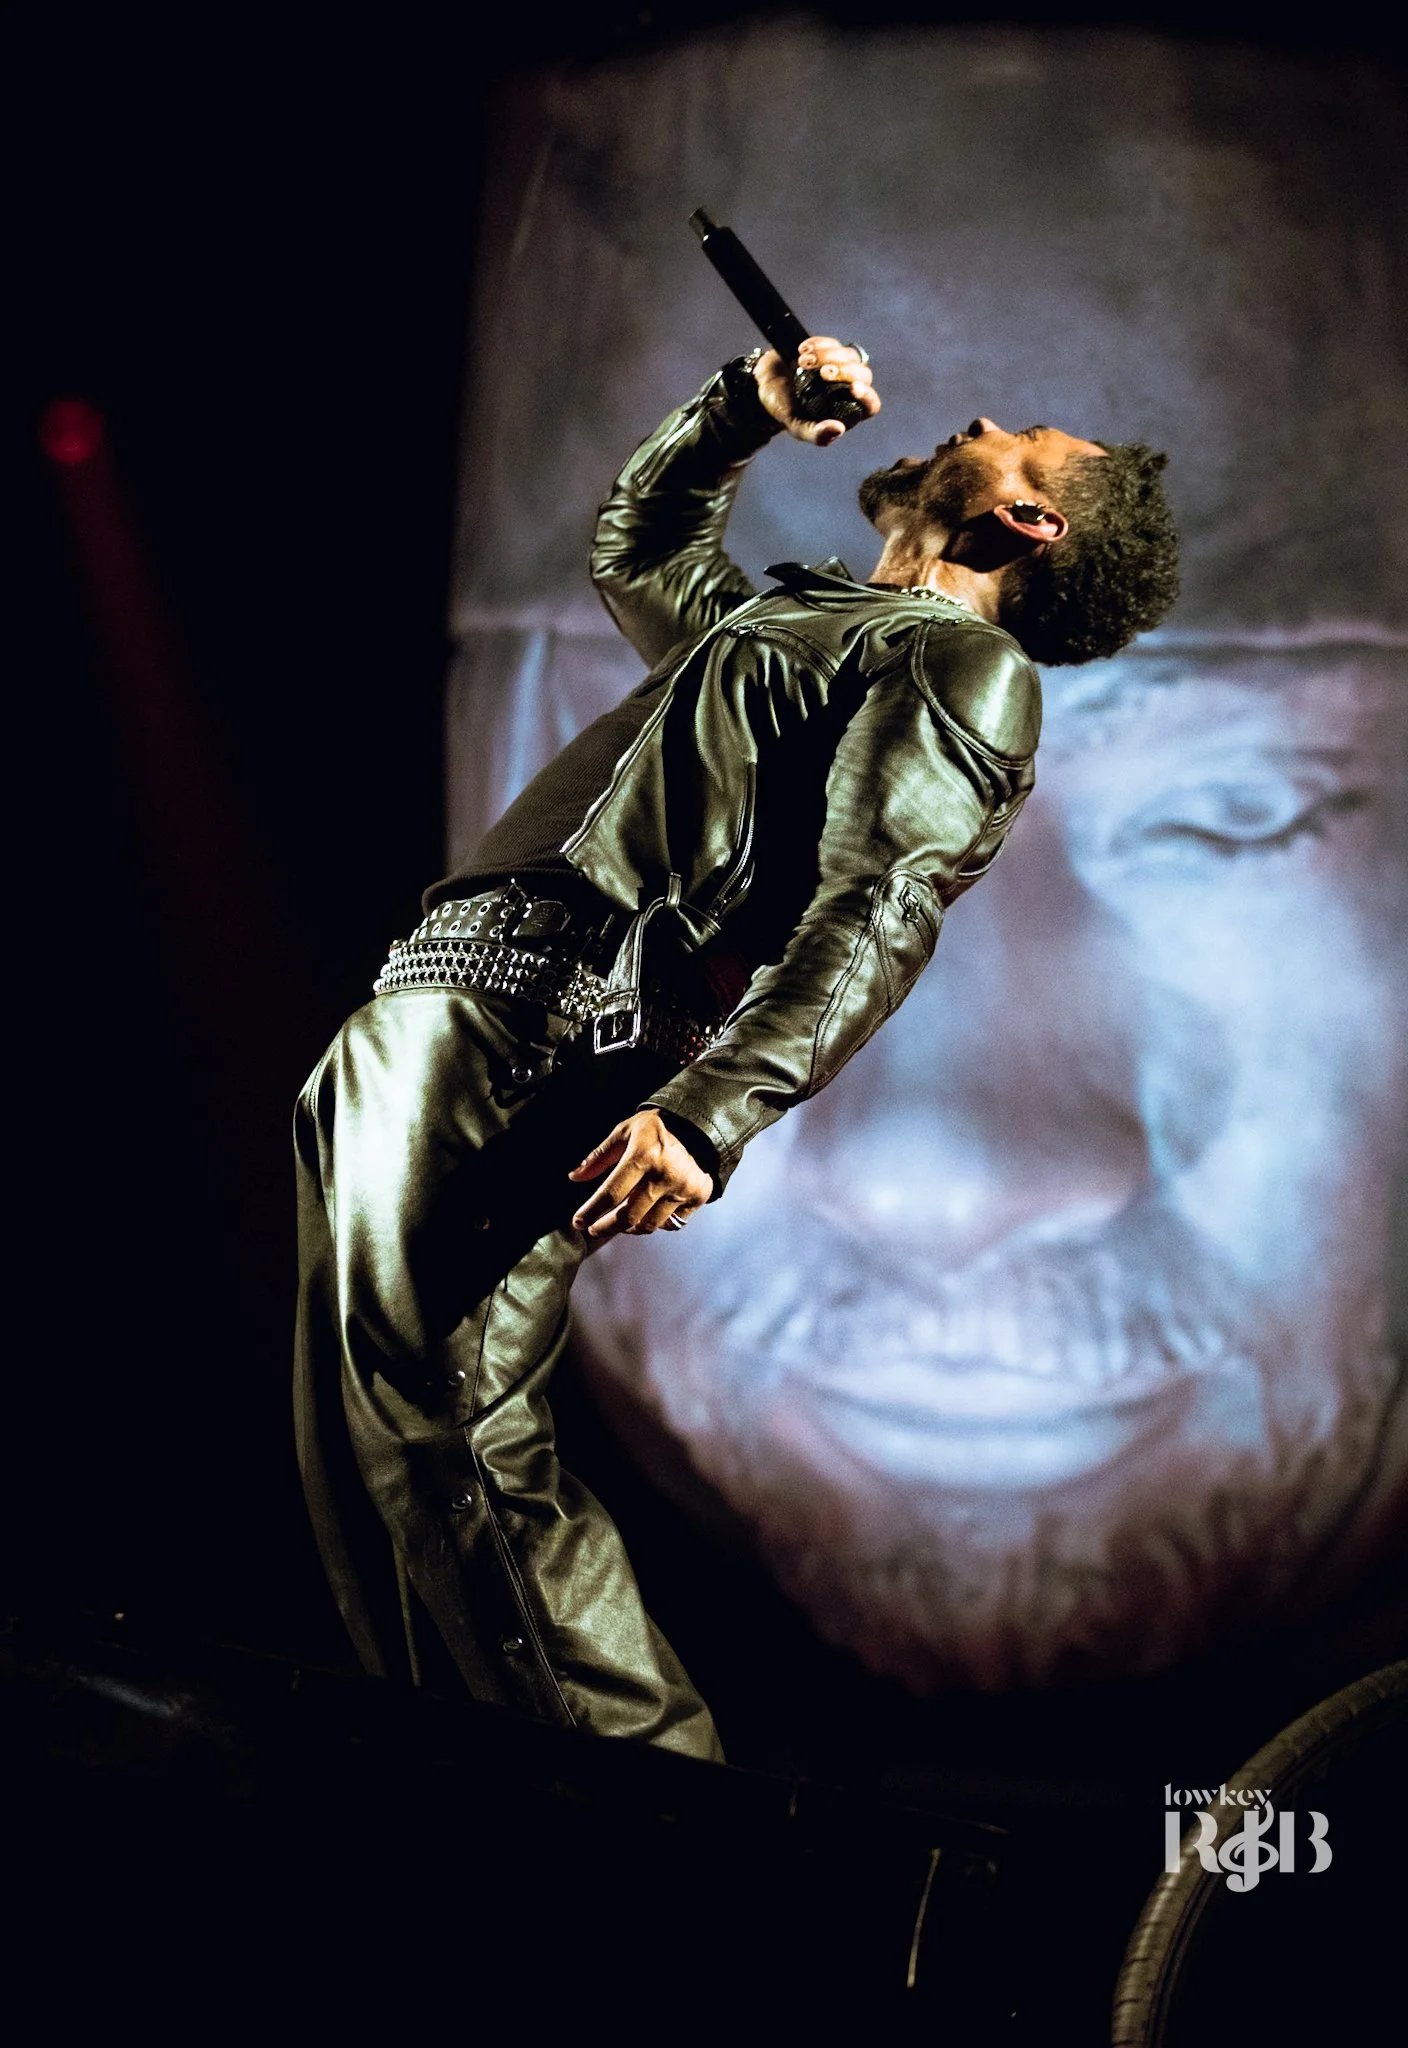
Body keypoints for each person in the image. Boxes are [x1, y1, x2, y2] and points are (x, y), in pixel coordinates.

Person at [293, 336, 1180, 1754]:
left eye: (1019, 433)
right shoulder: (795, 628)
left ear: (1028, 520)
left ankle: (669, 1830)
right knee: (382, 1459)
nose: (976, 415)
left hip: (539, 1025)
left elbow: (880, 905)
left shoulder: (961, 664)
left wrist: (710, 1115)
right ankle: (473, 1811)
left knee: (453, 1428)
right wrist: (740, 414)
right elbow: (638, 550)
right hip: (444, 1008)